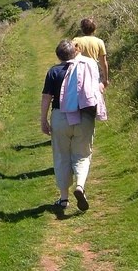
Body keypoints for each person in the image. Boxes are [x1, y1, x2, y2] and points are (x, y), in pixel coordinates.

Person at [41, 40, 106, 212]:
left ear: (58, 56)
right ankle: (80, 186)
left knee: (62, 156)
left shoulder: (53, 72)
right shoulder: (87, 67)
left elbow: (46, 97)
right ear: (75, 52)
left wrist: (43, 120)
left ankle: (63, 199)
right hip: (84, 115)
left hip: (60, 117)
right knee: (82, 155)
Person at [72, 18, 109, 88]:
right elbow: (103, 62)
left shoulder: (76, 40)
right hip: (93, 71)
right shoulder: (99, 42)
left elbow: (71, 56)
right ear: (95, 29)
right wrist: (106, 79)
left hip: (79, 71)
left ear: (82, 29)